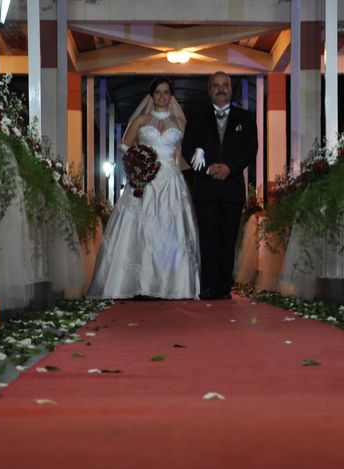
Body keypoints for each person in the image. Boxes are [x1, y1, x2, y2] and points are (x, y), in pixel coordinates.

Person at [88, 77, 200, 299]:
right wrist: (139, 165)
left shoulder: (180, 123)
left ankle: (172, 284)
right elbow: (124, 148)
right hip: (144, 182)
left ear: (171, 96)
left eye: (166, 92)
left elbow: (184, 154)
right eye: (158, 92)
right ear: (152, 95)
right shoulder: (141, 119)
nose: (162, 96)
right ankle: (136, 283)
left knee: (170, 232)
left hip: (171, 183)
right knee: (142, 228)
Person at [181, 71, 258, 300]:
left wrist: (230, 168)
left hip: (232, 188)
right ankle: (207, 287)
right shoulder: (196, 117)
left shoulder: (246, 117)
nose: (221, 89)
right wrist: (205, 168)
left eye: (225, 85)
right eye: (216, 85)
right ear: (209, 89)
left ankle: (224, 288)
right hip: (206, 189)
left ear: (231, 89)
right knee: (208, 239)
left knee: (228, 239)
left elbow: (250, 150)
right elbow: (187, 149)